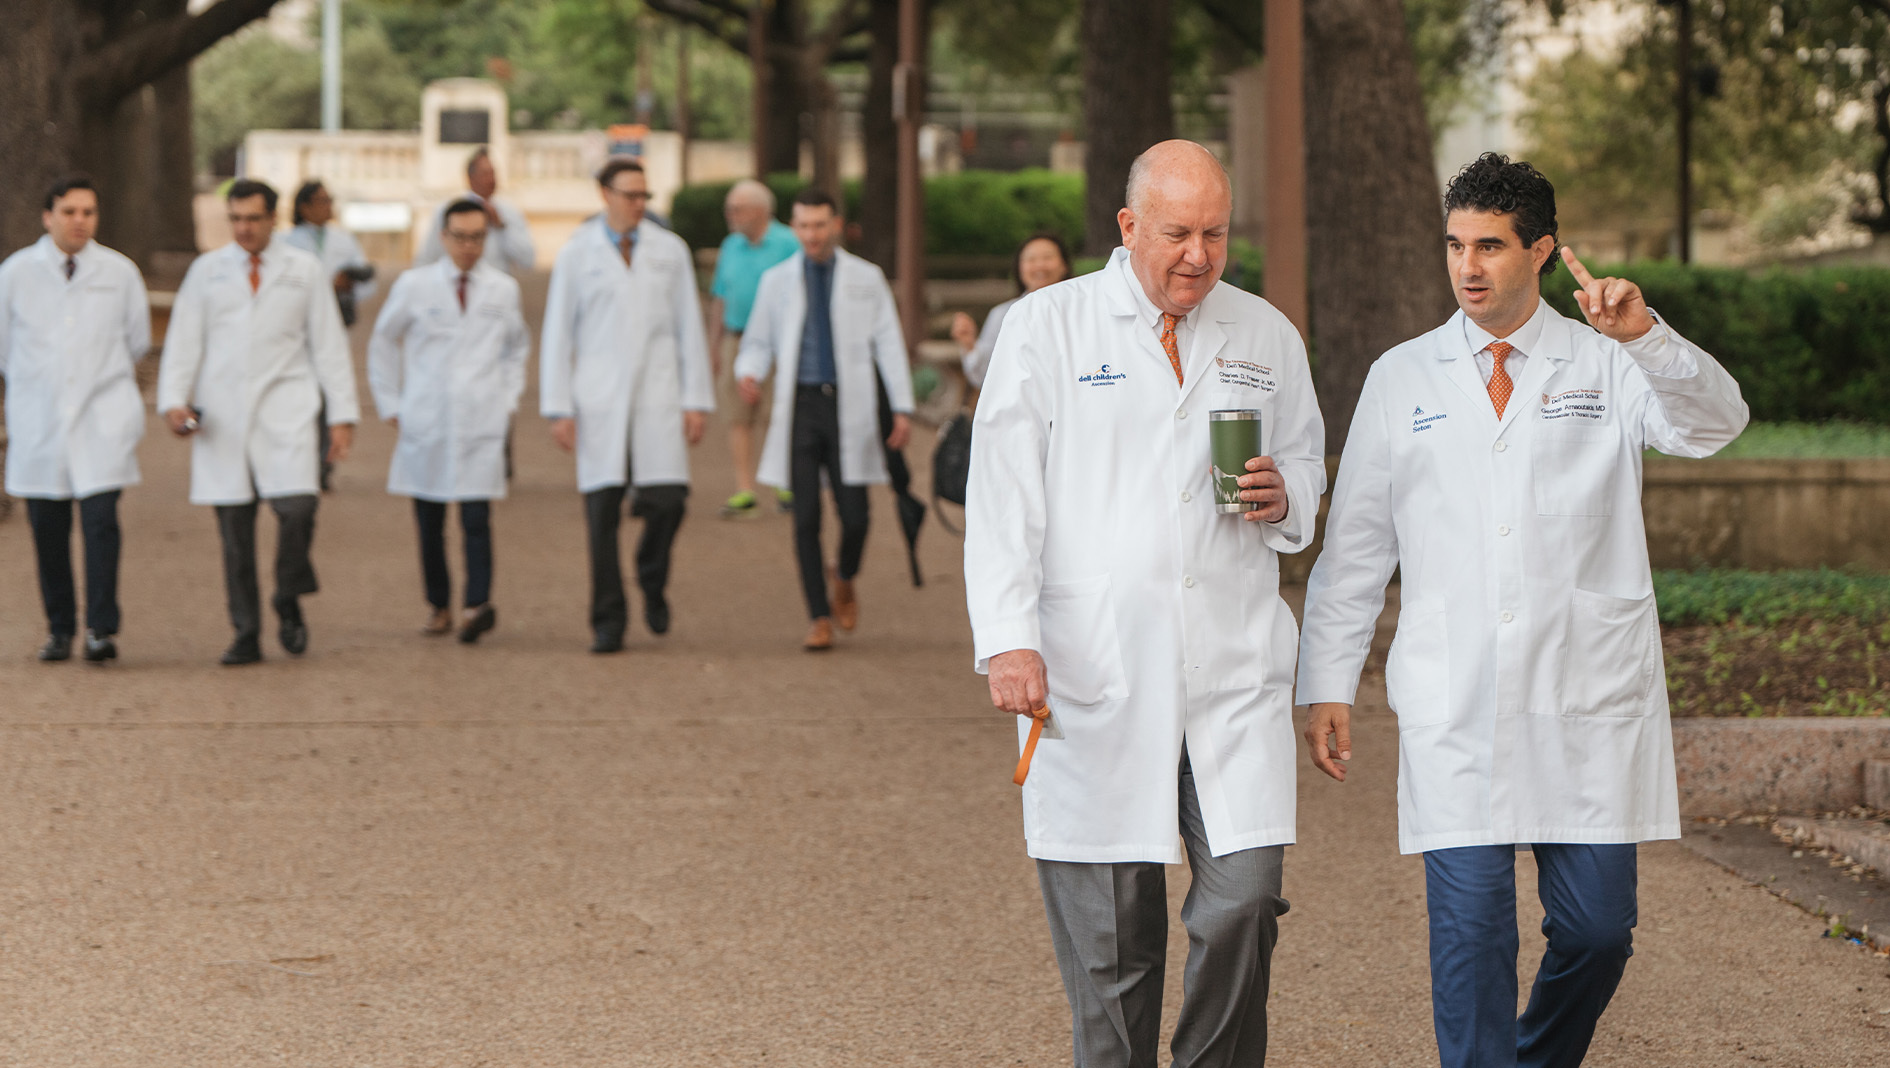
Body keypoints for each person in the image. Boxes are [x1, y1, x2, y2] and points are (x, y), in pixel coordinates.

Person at [1296, 153, 1748, 1068]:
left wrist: (1647, 336)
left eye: (1492, 247)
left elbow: (1715, 424)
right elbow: (1354, 550)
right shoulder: (1403, 375)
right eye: (1457, 244)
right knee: (1471, 946)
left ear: (1541, 251)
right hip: (1455, 698)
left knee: (1596, 933)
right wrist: (1325, 683)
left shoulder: (1609, 359)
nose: (1468, 266)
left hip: (1583, 695)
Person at [964, 140, 1324, 1068]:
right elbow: (1005, 494)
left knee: (1243, 898)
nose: (1198, 255)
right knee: (1113, 949)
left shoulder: (1265, 335)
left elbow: (1310, 464)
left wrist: (1289, 497)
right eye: (1177, 234)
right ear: (1129, 229)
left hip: (1232, 664)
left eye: (1215, 233)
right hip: (1093, 668)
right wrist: (1008, 639)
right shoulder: (1049, 328)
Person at [157, 178, 361, 666]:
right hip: (222, 416)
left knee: (297, 510)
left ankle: (287, 596)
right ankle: (245, 633)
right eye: (236, 219)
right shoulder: (207, 271)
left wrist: (343, 416)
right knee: (235, 534)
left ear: (273, 219)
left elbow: (328, 344)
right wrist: (173, 401)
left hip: (286, 409)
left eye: (253, 218)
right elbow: (184, 339)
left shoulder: (303, 270)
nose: (244, 228)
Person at [540, 158, 712, 653]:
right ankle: (607, 620)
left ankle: (652, 576)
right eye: (630, 195)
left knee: (669, 502)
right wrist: (559, 407)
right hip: (598, 397)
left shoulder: (669, 252)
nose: (639, 205)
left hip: (658, 391)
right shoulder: (578, 254)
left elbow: (688, 330)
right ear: (604, 194)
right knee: (602, 513)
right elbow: (558, 334)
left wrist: (695, 400)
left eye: (644, 196)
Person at [736, 189, 914, 652]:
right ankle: (818, 615)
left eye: (819, 225)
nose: (811, 235)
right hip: (800, 408)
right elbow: (757, 341)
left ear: (835, 225)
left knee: (855, 516)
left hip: (848, 407)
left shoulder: (866, 278)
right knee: (805, 517)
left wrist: (901, 406)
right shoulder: (776, 280)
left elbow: (889, 344)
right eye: (803, 226)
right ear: (792, 228)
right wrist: (749, 372)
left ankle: (846, 574)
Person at [0, 176, 151, 663]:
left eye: (88, 212)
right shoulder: (16, 273)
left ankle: (101, 629)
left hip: (101, 418)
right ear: (48, 217)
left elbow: (136, 341)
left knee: (101, 522)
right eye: (69, 212)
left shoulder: (120, 272)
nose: (79, 220)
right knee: (48, 529)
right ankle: (60, 627)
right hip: (40, 419)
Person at [368, 199, 529, 643]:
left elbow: (517, 348)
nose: (468, 246)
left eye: (477, 237)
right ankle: (439, 604)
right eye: (460, 237)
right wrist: (391, 403)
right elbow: (383, 341)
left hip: (481, 418)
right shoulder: (415, 286)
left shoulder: (502, 289)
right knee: (430, 520)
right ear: (443, 237)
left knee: (477, 516)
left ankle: (477, 605)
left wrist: (508, 398)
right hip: (427, 419)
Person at [708, 179, 800, 519]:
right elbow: (720, 296)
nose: (731, 215)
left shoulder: (789, 243)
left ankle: (783, 481)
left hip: (778, 344)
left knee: (777, 413)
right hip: (736, 337)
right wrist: (714, 345)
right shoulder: (730, 245)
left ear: (762, 211)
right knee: (738, 416)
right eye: (729, 209)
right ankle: (744, 488)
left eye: (738, 209)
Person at [284, 179, 376, 491]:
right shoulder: (287, 242)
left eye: (329, 199)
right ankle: (301, 461)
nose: (328, 206)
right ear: (303, 206)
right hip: (297, 334)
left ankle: (324, 464)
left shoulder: (344, 240)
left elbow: (368, 281)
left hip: (335, 325)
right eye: (321, 200)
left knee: (329, 394)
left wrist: (350, 283)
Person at [950, 231, 1074, 390]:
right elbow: (984, 377)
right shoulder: (1003, 314)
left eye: (1048, 257)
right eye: (1031, 259)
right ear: (1019, 268)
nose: (1039, 265)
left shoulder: (1082, 310)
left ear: (1064, 265)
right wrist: (970, 346)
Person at [413, 147, 536, 274]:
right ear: (470, 177)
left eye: (493, 173)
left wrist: (501, 226)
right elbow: (427, 257)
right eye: (484, 173)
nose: (491, 179)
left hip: (493, 289)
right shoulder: (448, 211)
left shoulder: (509, 213)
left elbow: (527, 260)